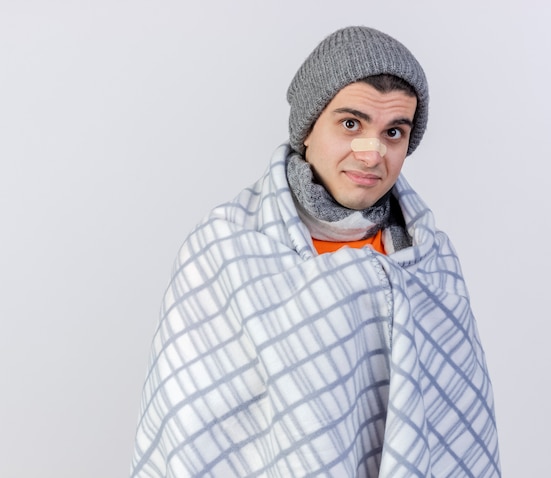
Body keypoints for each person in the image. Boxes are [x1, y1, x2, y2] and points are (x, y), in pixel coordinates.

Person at [130, 26, 500, 477]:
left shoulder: (430, 260)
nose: (372, 153)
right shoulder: (225, 250)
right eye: (351, 124)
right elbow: (188, 434)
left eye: (394, 132)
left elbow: (458, 437)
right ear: (307, 128)